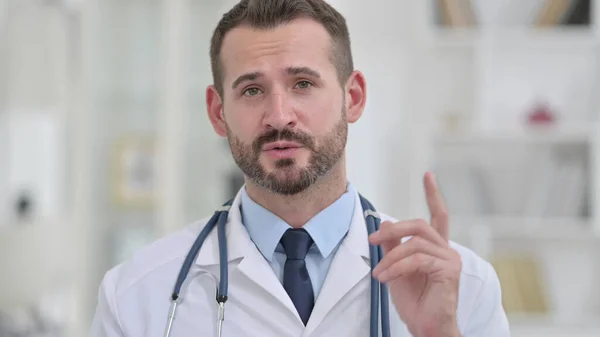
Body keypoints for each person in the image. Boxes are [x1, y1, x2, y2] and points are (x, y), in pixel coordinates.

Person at [89, 0, 510, 336]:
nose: (279, 115)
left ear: (354, 97)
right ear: (218, 113)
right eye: (252, 90)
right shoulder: (136, 295)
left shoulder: (464, 287)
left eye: (303, 84)